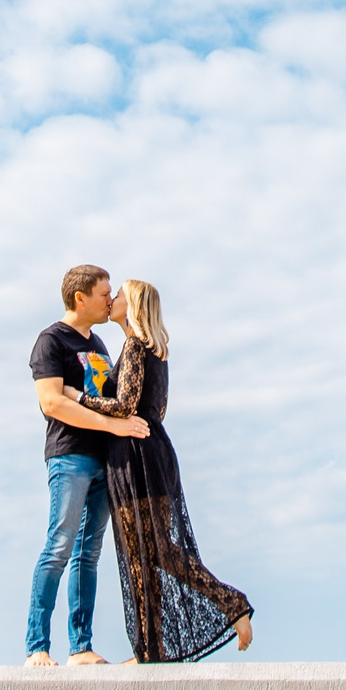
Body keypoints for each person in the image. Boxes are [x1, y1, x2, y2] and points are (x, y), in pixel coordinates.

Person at [80, 279, 254, 663]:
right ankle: (149, 651)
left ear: (135, 304)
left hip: (135, 456)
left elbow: (126, 403)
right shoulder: (156, 349)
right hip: (154, 451)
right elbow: (155, 410)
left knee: (150, 551)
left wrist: (83, 399)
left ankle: (231, 603)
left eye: (119, 295)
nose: (113, 300)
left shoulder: (135, 345)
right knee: (147, 553)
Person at [25, 264, 148, 667]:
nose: (109, 300)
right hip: (70, 455)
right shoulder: (51, 340)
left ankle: (80, 647)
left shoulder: (100, 343)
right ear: (80, 297)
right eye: (103, 294)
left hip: (104, 461)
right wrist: (110, 425)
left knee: (88, 553)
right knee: (58, 546)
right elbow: (52, 401)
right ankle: (36, 647)